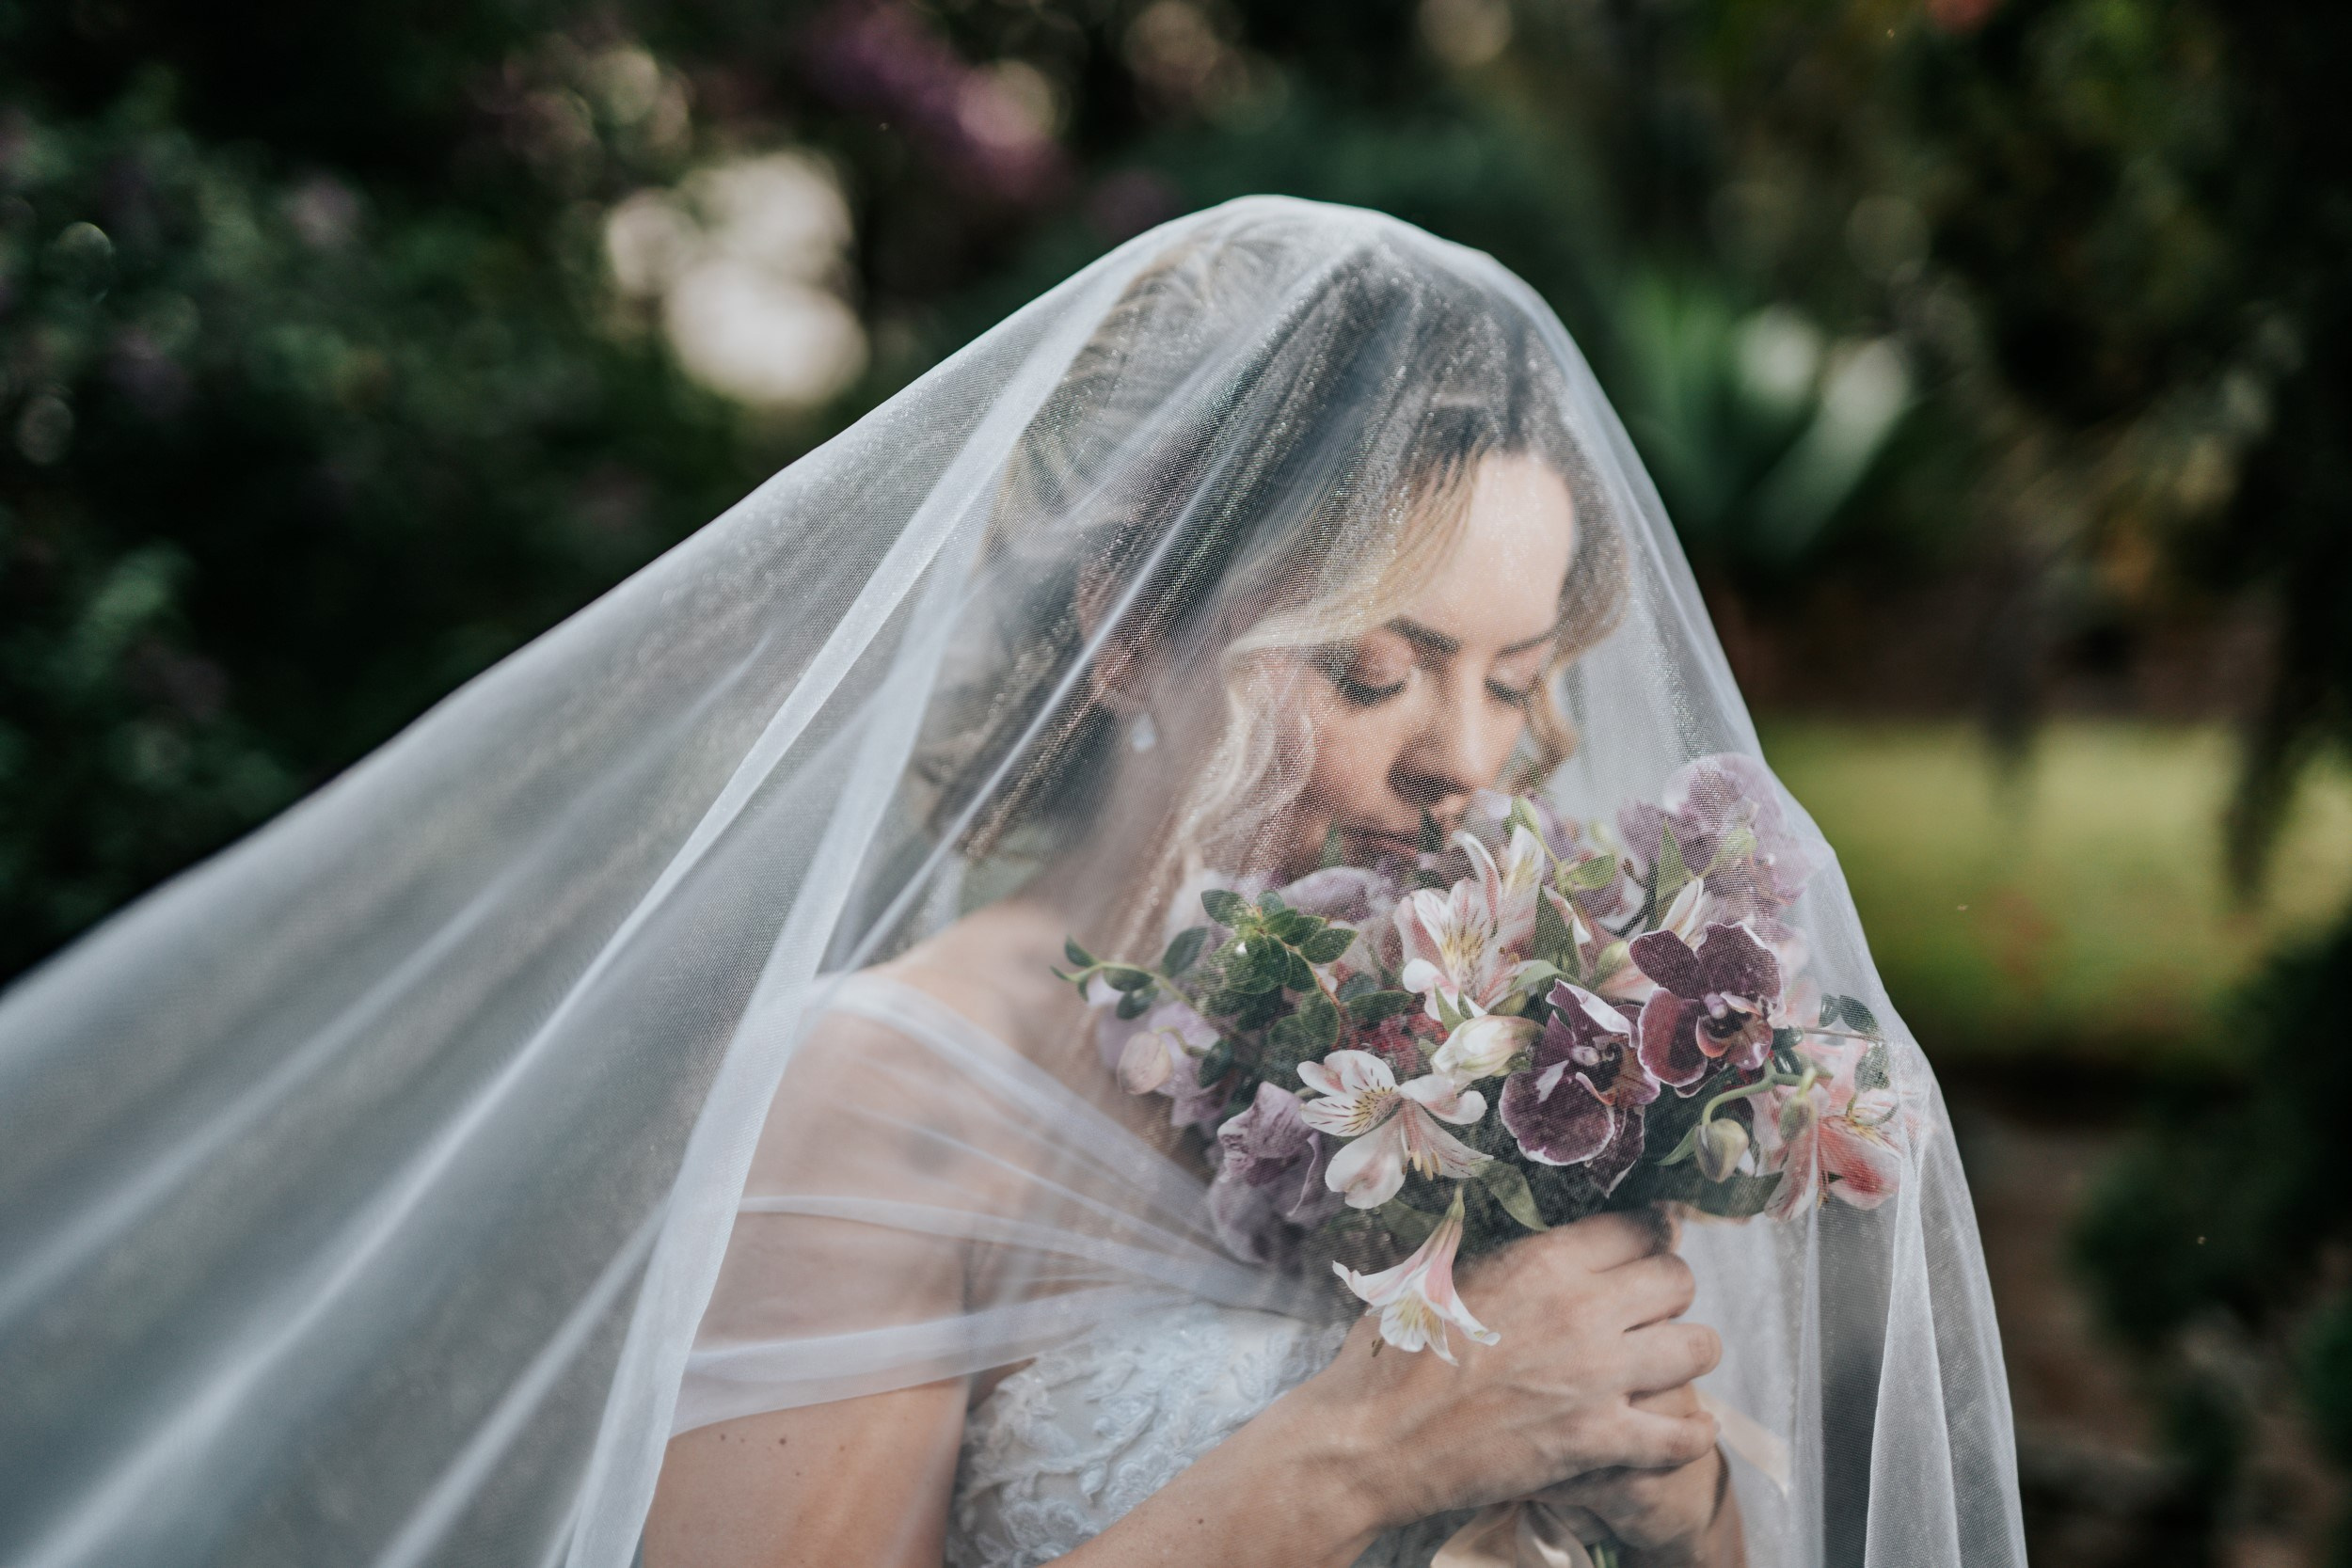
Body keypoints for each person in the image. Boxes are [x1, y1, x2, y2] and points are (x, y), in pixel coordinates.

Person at [0, 199, 2023, 1568]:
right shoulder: (886, 1090)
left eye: (1513, 680)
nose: (1464, 763)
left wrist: (1674, 1513)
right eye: (1372, 670)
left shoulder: (1506, 1054)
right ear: (1129, 633)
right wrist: (1360, 1461)